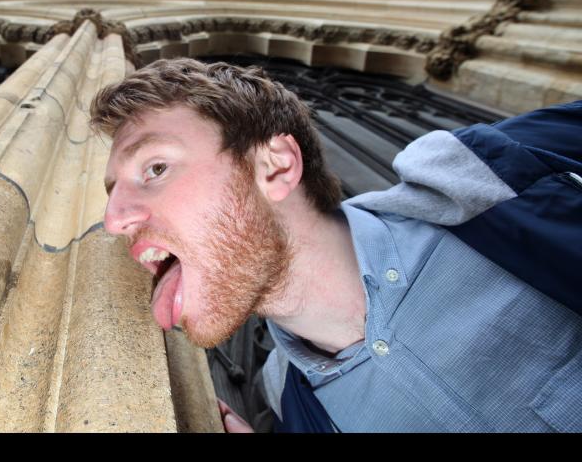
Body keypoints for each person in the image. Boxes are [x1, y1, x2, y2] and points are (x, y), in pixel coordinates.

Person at [90, 57, 582, 433]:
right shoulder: (290, 405)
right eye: (113, 195)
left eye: (155, 169)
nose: (114, 222)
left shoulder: (490, 177)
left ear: (276, 166)